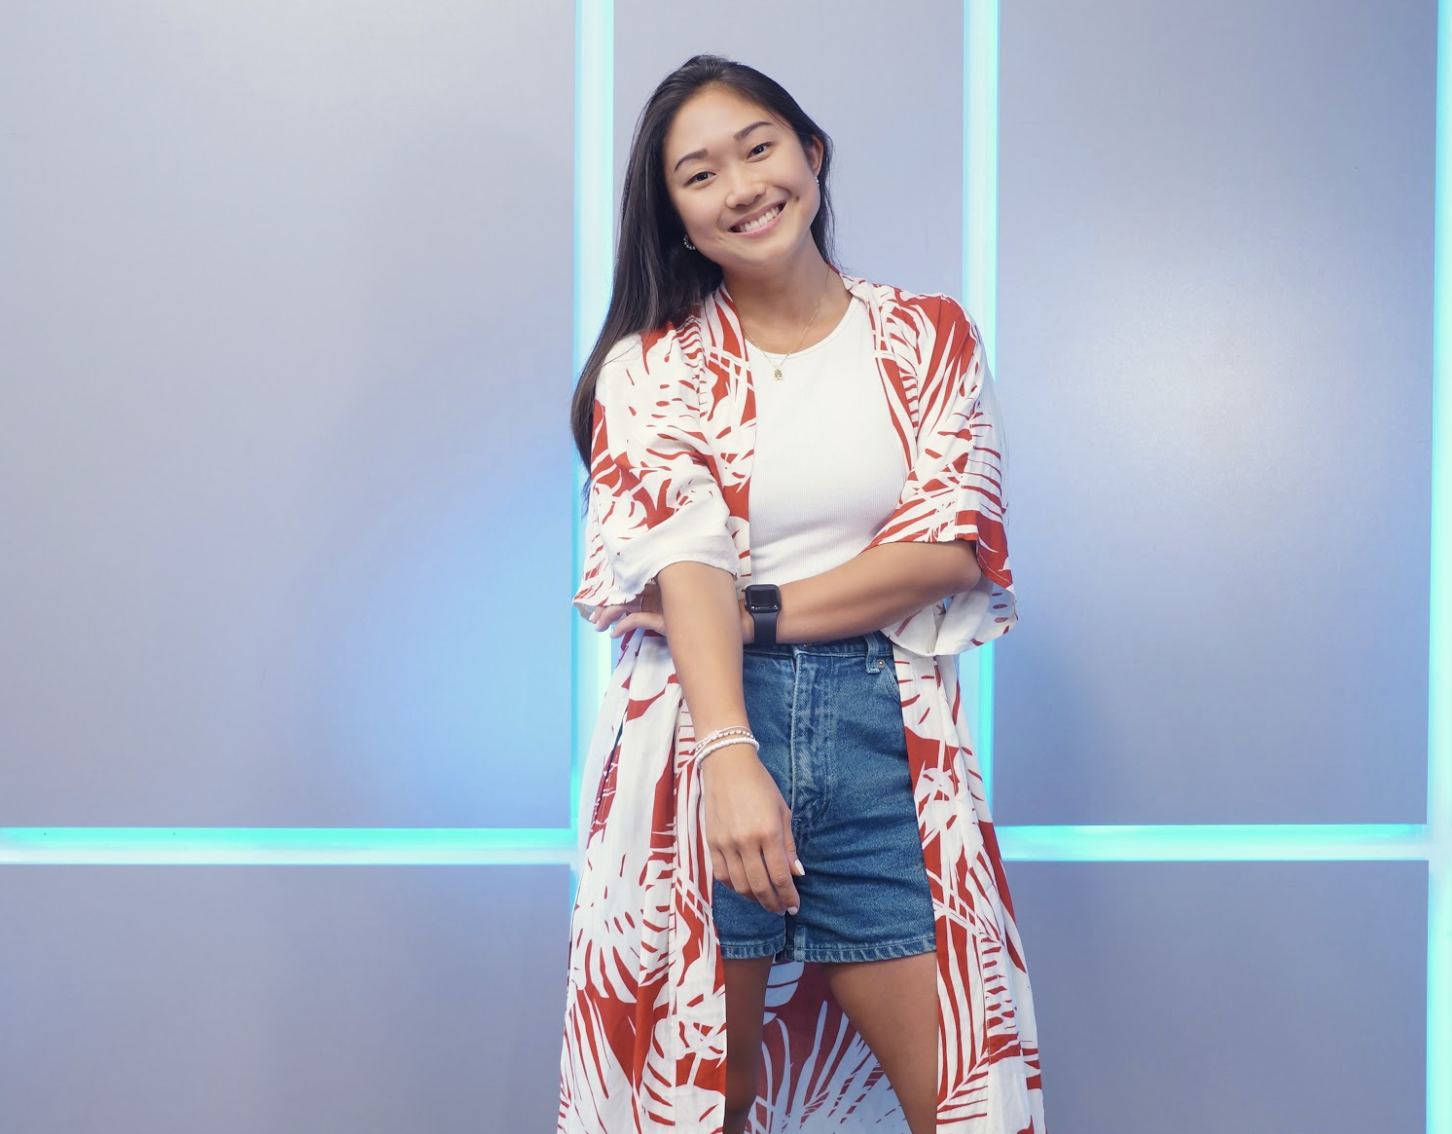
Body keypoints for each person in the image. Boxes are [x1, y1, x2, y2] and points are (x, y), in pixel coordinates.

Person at [558, 55, 1045, 1134]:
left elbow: (951, 549)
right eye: (700, 175)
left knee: (965, 1091)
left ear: (811, 154)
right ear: (677, 219)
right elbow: (683, 558)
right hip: (700, 734)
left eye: (759, 149)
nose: (741, 187)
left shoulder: (926, 335)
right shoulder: (651, 367)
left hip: (885, 734)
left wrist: (751, 612)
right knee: (705, 1093)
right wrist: (732, 757)